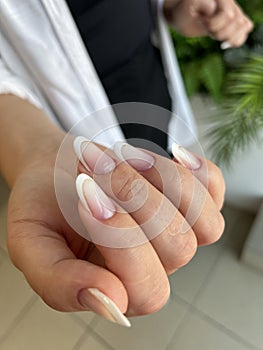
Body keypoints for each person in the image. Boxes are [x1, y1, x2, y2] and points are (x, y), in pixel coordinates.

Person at [0, 0, 252, 327]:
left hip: (150, 93)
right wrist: (33, 148)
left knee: (160, 207)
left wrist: (184, 9)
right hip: (62, 119)